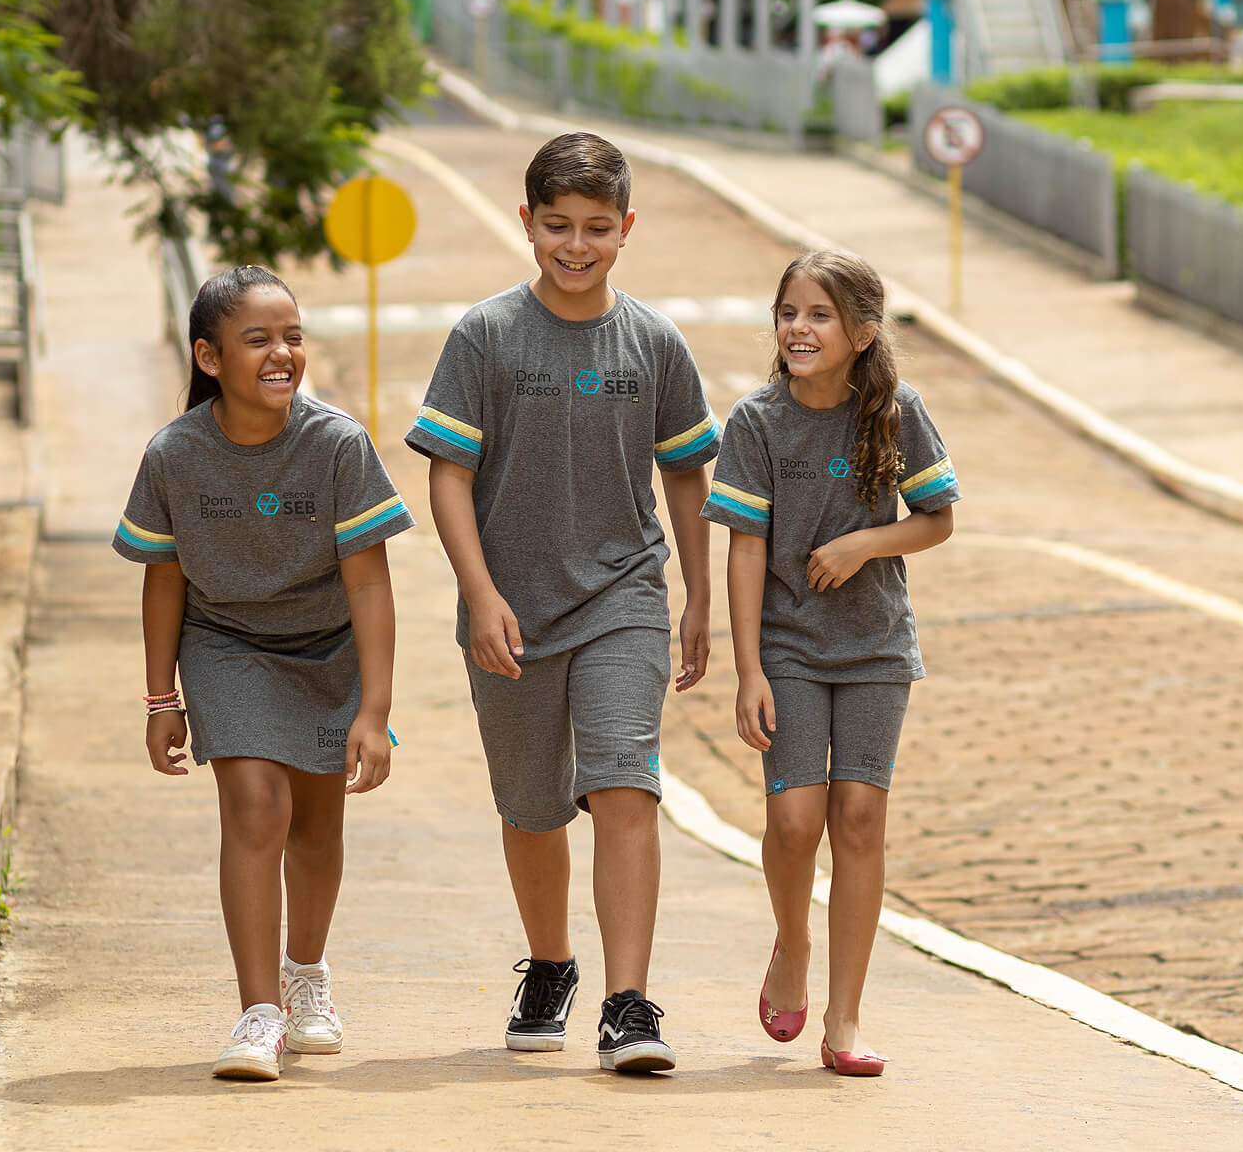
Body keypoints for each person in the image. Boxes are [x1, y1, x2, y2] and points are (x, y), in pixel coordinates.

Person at [404, 132, 719, 1074]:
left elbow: (687, 476)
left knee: (626, 782)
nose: (574, 246)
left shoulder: (656, 342)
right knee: (533, 807)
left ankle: (629, 1006)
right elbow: (448, 480)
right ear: (527, 224)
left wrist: (700, 599)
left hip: (623, 593)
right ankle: (551, 965)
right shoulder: (486, 336)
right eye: (556, 227)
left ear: (626, 229)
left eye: (594, 228)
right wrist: (481, 592)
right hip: (512, 607)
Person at [113, 265, 413, 1081]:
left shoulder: (336, 444)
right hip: (227, 646)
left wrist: (374, 710)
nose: (282, 354)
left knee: (317, 828)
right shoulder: (176, 454)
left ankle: (306, 975)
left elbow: (370, 581)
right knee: (256, 805)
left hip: (328, 649)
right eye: (259, 340)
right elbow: (164, 575)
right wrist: (159, 698)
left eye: (293, 337)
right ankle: (258, 1013)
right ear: (210, 357)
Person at [700, 250, 959, 1077]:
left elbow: (937, 518)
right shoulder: (756, 422)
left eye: (818, 316)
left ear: (862, 332)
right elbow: (745, 553)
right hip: (787, 649)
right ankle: (792, 942)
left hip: (877, 648)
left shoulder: (895, 412)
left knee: (858, 819)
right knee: (792, 822)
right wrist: (749, 671)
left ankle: (844, 1020)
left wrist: (862, 544)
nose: (799, 330)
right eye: (789, 314)